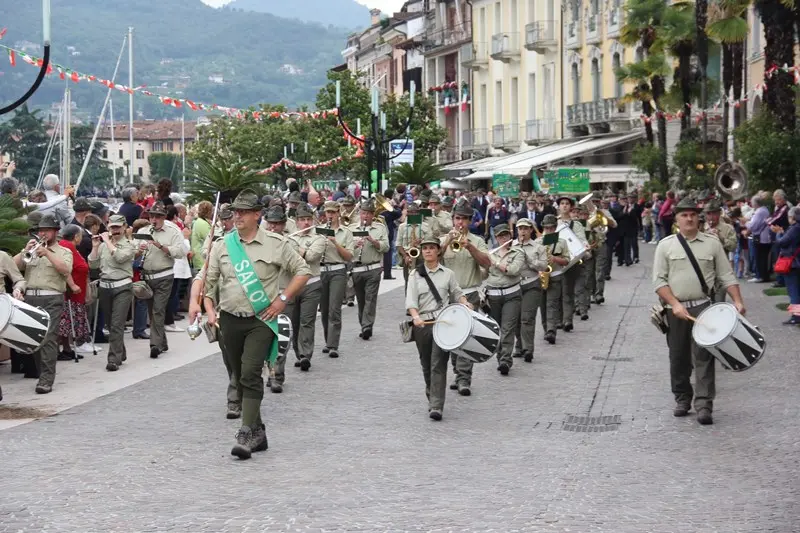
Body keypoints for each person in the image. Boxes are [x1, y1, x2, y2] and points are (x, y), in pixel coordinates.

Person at [195, 189, 311, 460]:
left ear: (257, 215)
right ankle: (259, 431)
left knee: (249, 373)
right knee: (239, 376)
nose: (237, 216)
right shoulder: (223, 244)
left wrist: (282, 299)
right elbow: (210, 280)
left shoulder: (276, 243)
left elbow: (303, 271)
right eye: (235, 212)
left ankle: (245, 432)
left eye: (243, 212)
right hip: (230, 320)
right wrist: (208, 306)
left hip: (261, 320)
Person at [653, 197, 745, 426]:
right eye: (684, 214)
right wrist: (674, 304)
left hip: (705, 307)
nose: (689, 218)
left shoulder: (712, 243)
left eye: (693, 214)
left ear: (698, 218)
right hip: (676, 310)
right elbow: (659, 281)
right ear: (676, 219)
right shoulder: (665, 245)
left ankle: (704, 404)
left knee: (704, 357)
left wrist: (737, 300)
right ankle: (682, 398)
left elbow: (726, 275)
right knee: (678, 357)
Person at [405, 237, 470, 421]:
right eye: (424, 248)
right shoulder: (415, 275)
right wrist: (415, 316)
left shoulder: (448, 273)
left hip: (443, 324)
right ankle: (431, 394)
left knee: (438, 364)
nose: (427, 251)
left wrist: (465, 303)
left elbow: (457, 293)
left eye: (431, 248)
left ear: (438, 251)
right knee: (426, 364)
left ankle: (436, 405)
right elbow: (411, 300)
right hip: (423, 324)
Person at [14, 214, 73, 394]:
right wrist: (25, 251)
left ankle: (46, 379)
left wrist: (47, 253)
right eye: (40, 230)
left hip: (52, 298)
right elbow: (13, 266)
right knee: (34, 339)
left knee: (48, 338)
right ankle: (43, 373)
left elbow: (65, 270)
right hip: (31, 297)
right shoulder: (33, 249)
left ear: (55, 232)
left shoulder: (64, 251)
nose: (43, 233)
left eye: (46, 230)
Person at [440, 201, 490, 396]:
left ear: (470, 221)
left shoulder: (477, 241)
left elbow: (487, 263)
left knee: (466, 335)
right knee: (452, 337)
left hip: (469, 293)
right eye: (457, 218)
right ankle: (458, 372)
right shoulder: (443, 239)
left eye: (464, 219)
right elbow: (431, 261)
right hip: (448, 295)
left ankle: (464, 378)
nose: (460, 222)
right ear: (453, 219)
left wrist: (470, 248)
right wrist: (445, 243)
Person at [136, 201, 186, 359]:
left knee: (158, 310)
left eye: (157, 216)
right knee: (152, 312)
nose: (154, 219)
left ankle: (155, 345)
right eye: (151, 216)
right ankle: (162, 342)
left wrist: (162, 247)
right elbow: (133, 251)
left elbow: (180, 252)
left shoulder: (173, 230)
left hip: (164, 276)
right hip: (147, 277)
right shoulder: (144, 231)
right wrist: (138, 250)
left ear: (164, 217)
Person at [89, 215, 136, 371]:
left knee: (117, 324)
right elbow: (93, 264)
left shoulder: (129, 245)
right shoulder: (103, 246)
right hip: (105, 287)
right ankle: (120, 351)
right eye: (112, 227)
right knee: (111, 324)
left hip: (122, 287)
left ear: (124, 227)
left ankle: (113, 359)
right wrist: (96, 246)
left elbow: (120, 257)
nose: (114, 230)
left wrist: (108, 241)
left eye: (117, 227)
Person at [286, 204, 326, 371]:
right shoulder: (288, 238)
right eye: (302, 220)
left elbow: (312, 256)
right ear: (296, 222)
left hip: (311, 283)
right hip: (293, 284)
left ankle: (305, 354)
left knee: (307, 321)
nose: (306, 223)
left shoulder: (319, 238)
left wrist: (296, 248)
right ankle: (298, 353)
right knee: (294, 322)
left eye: (308, 219)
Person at [483, 223, 525, 375]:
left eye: (506, 235)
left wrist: (496, 263)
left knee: (508, 328)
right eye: (500, 236)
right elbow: (483, 274)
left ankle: (505, 360)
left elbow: (513, 271)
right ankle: (500, 357)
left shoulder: (517, 252)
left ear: (510, 235)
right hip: (493, 296)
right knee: (497, 329)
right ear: (496, 237)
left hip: (511, 294)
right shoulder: (490, 252)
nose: (503, 238)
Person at [319, 200, 354, 359]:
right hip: (320, 271)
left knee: (334, 309)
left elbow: (348, 256)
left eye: (333, 212)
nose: (331, 215)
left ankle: (333, 345)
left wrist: (335, 242)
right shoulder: (318, 230)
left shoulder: (345, 232)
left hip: (338, 271)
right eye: (328, 213)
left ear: (338, 213)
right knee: (324, 309)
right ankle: (328, 340)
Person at [351, 199, 389, 341]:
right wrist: (356, 245)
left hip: (373, 268)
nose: (365, 216)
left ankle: (367, 326)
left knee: (370, 298)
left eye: (368, 214)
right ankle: (364, 325)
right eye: (363, 213)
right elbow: (345, 248)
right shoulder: (352, 228)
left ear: (373, 215)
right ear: (359, 214)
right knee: (361, 300)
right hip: (356, 269)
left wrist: (373, 241)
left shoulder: (380, 228)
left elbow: (386, 247)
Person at [513, 218, 549, 363]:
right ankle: (519, 345)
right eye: (520, 228)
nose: (523, 231)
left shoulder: (538, 247)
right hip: (514, 285)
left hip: (532, 284)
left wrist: (529, 260)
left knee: (527, 318)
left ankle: (528, 349)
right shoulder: (512, 245)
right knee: (515, 319)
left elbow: (543, 266)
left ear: (531, 230)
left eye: (526, 228)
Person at [56, 224, 91, 361]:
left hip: (75, 292)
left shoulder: (69, 246)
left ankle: (67, 348)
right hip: (70, 293)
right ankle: (62, 349)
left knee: (67, 323)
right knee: (65, 323)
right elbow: (67, 269)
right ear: (76, 237)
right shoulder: (67, 247)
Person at [536, 214, 570, 344]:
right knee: (543, 305)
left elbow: (567, 260)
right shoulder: (538, 242)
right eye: (547, 228)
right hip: (541, 277)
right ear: (544, 228)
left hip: (555, 275)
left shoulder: (562, 242)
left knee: (552, 304)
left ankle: (551, 330)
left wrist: (555, 259)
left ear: (555, 228)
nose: (549, 230)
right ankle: (546, 329)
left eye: (552, 228)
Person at [703, 199, 737, 301]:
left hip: (720, 271)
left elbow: (733, 246)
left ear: (719, 214)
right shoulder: (700, 227)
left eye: (714, 213)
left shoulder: (728, 228)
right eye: (708, 214)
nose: (711, 217)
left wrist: (721, 237)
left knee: (718, 302)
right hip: (704, 270)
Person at [771, 206, 800, 325]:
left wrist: (778, 234)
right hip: (797, 262)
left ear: (792, 217)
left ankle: (796, 316)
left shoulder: (795, 228)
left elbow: (782, 242)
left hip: (792, 263)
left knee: (793, 291)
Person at [191, 201, 213, 273]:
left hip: (199, 258)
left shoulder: (200, 221)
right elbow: (211, 238)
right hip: (201, 260)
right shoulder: (202, 223)